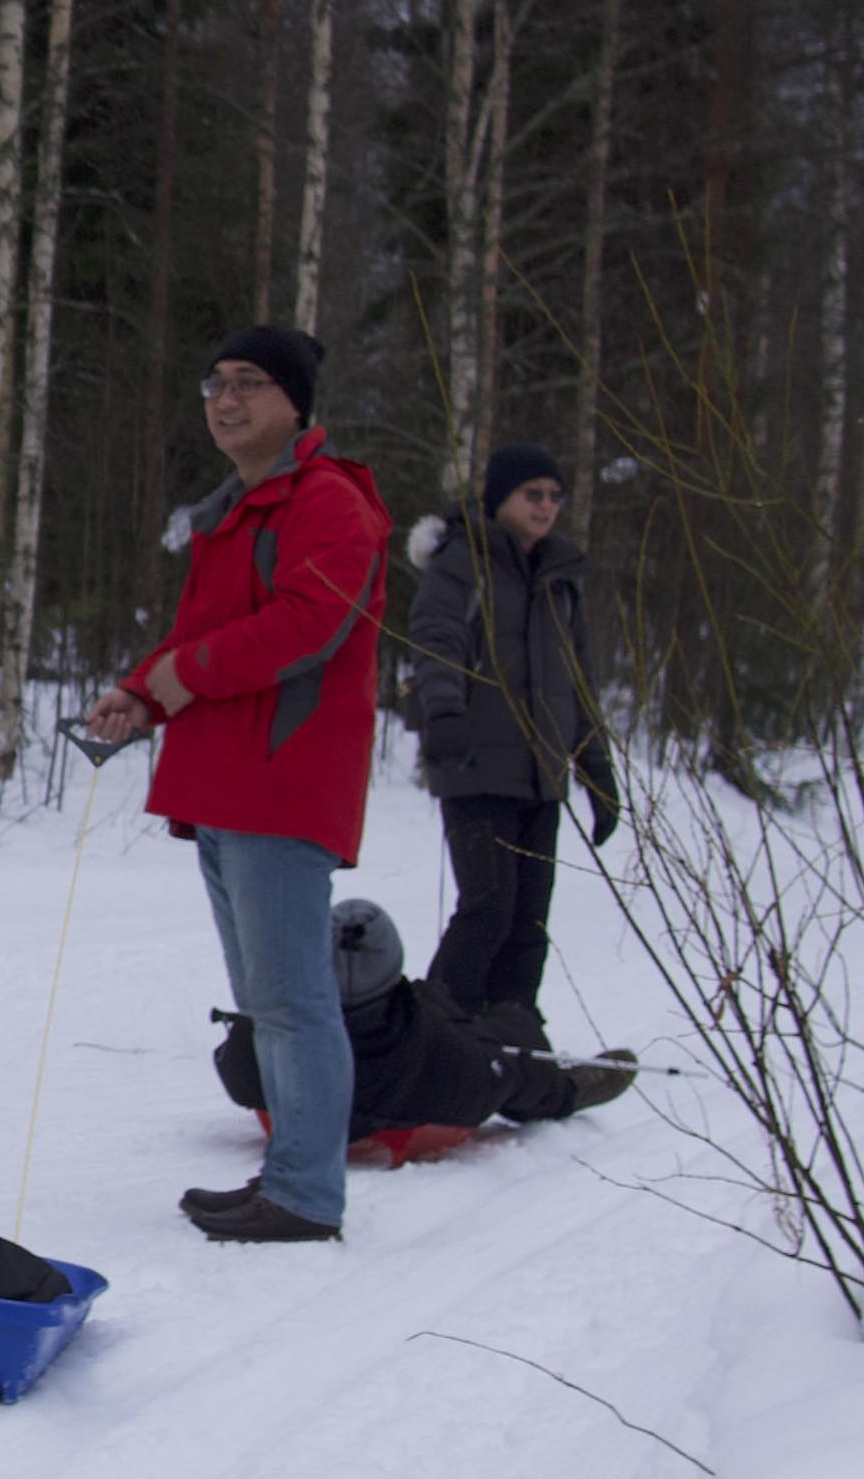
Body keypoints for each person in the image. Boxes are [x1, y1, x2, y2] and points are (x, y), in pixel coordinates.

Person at [76, 323, 389, 1244]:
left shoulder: (327, 502)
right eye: (215, 383)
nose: (225, 398)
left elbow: (305, 626)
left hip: (282, 785)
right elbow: (206, 636)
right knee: (268, 1001)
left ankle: (304, 1194)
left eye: (249, 383)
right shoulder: (239, 509)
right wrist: (143, 691)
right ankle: (289, 1177)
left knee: (293, 1002)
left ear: (295, 402)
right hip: (224, 786)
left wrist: (181, 678)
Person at [399, 438, 621, 1048]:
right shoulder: (461, 563)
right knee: (488, 908)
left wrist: (596, 769)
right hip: (473, 764)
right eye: (533, 494)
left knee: (528, 922)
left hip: (540, 777)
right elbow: (434, 642)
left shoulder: (561, 580)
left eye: (554, 496)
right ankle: (431, 1036)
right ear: (500, 499)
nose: (546, 506)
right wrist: (442, 718)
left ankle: (512, 1034)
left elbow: (578, 680)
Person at [210, 898, 635, 1165]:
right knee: (509, 1041)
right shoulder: (451, 1056)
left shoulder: (262, 1036)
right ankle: (571, 1088)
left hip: (315, 1086)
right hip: (416, 1084)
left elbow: (231, 1066)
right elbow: (502, 1077)